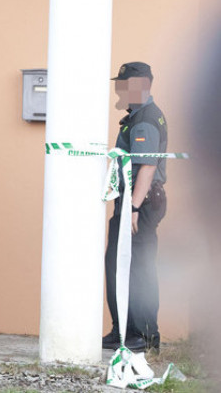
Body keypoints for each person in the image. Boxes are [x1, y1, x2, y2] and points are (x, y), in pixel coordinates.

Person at [102, 62, 167, 353]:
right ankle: (135, 332)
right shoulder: (143, 116)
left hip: (139, 202)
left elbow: (147, 165)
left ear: (139, 85)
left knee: (130, 267)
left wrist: (133, 208)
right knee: (132, 265)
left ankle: (135, 334)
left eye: (124, 83)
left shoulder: (144, 120)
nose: (119, 89)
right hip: (141, 201)